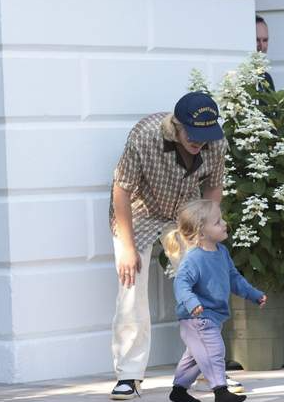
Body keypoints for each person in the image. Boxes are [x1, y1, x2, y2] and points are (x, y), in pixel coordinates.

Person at [109, 92, 227, 400]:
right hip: (139, 211)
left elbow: (213, 186)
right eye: (193, 134)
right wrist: (126, 246)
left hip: (185, 212)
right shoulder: (144, 137)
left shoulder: (215, 141)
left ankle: (205, 370)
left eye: (205, 135)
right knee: (132, 287)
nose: (199, 141)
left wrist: (207, 234)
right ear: (176, 125)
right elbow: (121, 191)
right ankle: (129, 376)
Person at [163, 200, 267, 402]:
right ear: (201, 233)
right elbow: (181, 284)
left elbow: (234, 278)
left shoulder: (221, 252)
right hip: (198, 317)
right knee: (214, 350)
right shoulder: (194, 258)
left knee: (195, 357)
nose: (224, 223)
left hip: (212, 315)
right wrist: (192, 303)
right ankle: (220, 391)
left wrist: (253, 294)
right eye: (217, 222)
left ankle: (178, 392)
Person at [256, 15, 275, 91]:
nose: (261, 46)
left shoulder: (266, 78)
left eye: (265, 40)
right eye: (257, 40)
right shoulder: (238, 77)